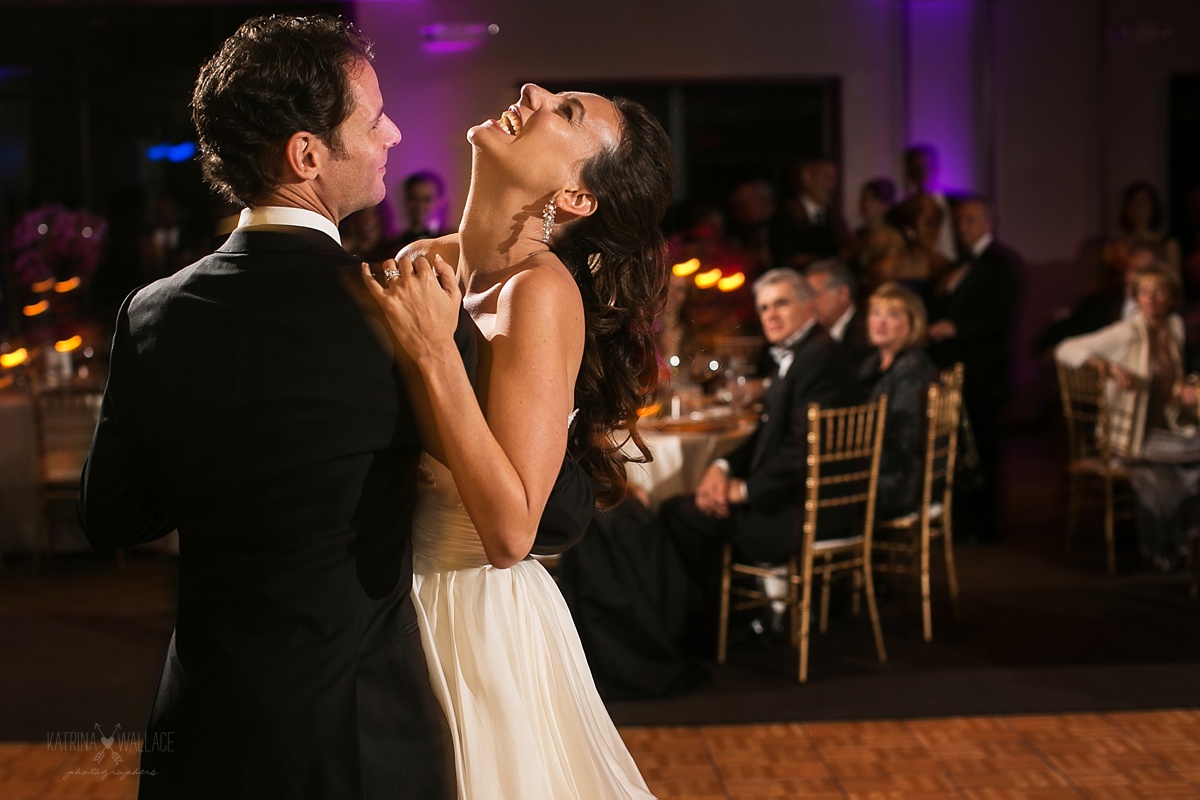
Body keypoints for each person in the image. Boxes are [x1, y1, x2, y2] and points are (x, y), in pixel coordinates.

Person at [78, 17, 593, 799]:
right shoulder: (400, 312)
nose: (392, 133)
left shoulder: (150, 312)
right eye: (372, 119)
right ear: (307, 155)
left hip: (203, 723)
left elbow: (113, 516)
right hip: (359, 733)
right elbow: (546, 519)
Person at [359, 83, 672, 798]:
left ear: (578, 198)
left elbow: (509, 533)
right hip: (390, 604)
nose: (531, 91)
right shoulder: (422, 258)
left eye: (566, 111)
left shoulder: (539, 293)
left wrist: (438, 355)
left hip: (475, 622)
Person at [659, 268, 858, 643]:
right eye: (764, 307)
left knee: (679, 515)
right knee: (693, 507)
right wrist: (722, 466)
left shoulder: (819, 359)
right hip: (798, 499)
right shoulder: (804, 354)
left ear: (809, 306)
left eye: (781, 303)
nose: (771, 314)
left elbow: (805, 451)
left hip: (805, 512)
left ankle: (715, 629)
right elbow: (767, 435)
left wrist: (744, 490)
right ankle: (739, 615)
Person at [1056, 265, 1200, 572]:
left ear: (1172, 297)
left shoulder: (1173, 326)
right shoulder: (1128, 331)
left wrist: (1181, 389)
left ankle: (1186, 539)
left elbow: (1169, 378)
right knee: (1176, 473)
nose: (1150, 298)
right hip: (1130, 435)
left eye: (1158, 291)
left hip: (1164, 429)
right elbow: (1066, 349)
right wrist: (1107, 367)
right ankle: (1169, 545)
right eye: (1144, 291)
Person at [926, 195, 1021, 542]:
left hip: (984, 375)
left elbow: (1001, 319)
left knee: (982, 449)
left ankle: (984, 526)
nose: (961, 227)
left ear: (988, 223)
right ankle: (964, 522)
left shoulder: (1000, 265)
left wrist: (957, 328)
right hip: (959, 373)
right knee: (961, 449)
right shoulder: (960, 265)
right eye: (958, 221)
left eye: (969, 220)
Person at [857, 282, 940, 518]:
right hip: (878, 472)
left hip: (897, 483)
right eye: (875, 313)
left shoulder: (913, 372)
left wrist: (852, 460)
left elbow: (904, 443)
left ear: (913, 324)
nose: (880, 322)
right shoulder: (871, 364)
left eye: (892, 315)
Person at [769, 157, 849, 270]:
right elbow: (783, 258)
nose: (832, 186)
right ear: (808, 177)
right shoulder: (785, 215)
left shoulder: (834, 219)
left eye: (834, 180)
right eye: (827, 178)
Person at [806, 258, 872, 363]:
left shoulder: (867, 334)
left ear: (843, 293)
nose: (810, 304)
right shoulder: (814, 338)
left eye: (815, 295)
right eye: (807, 297)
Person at [374, 170, 452, 256]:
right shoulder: (392, 246)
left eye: (426, 199)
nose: (420, 205)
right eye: (414, 198)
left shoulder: (451, 242)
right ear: (406, 200)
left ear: (440, 201)